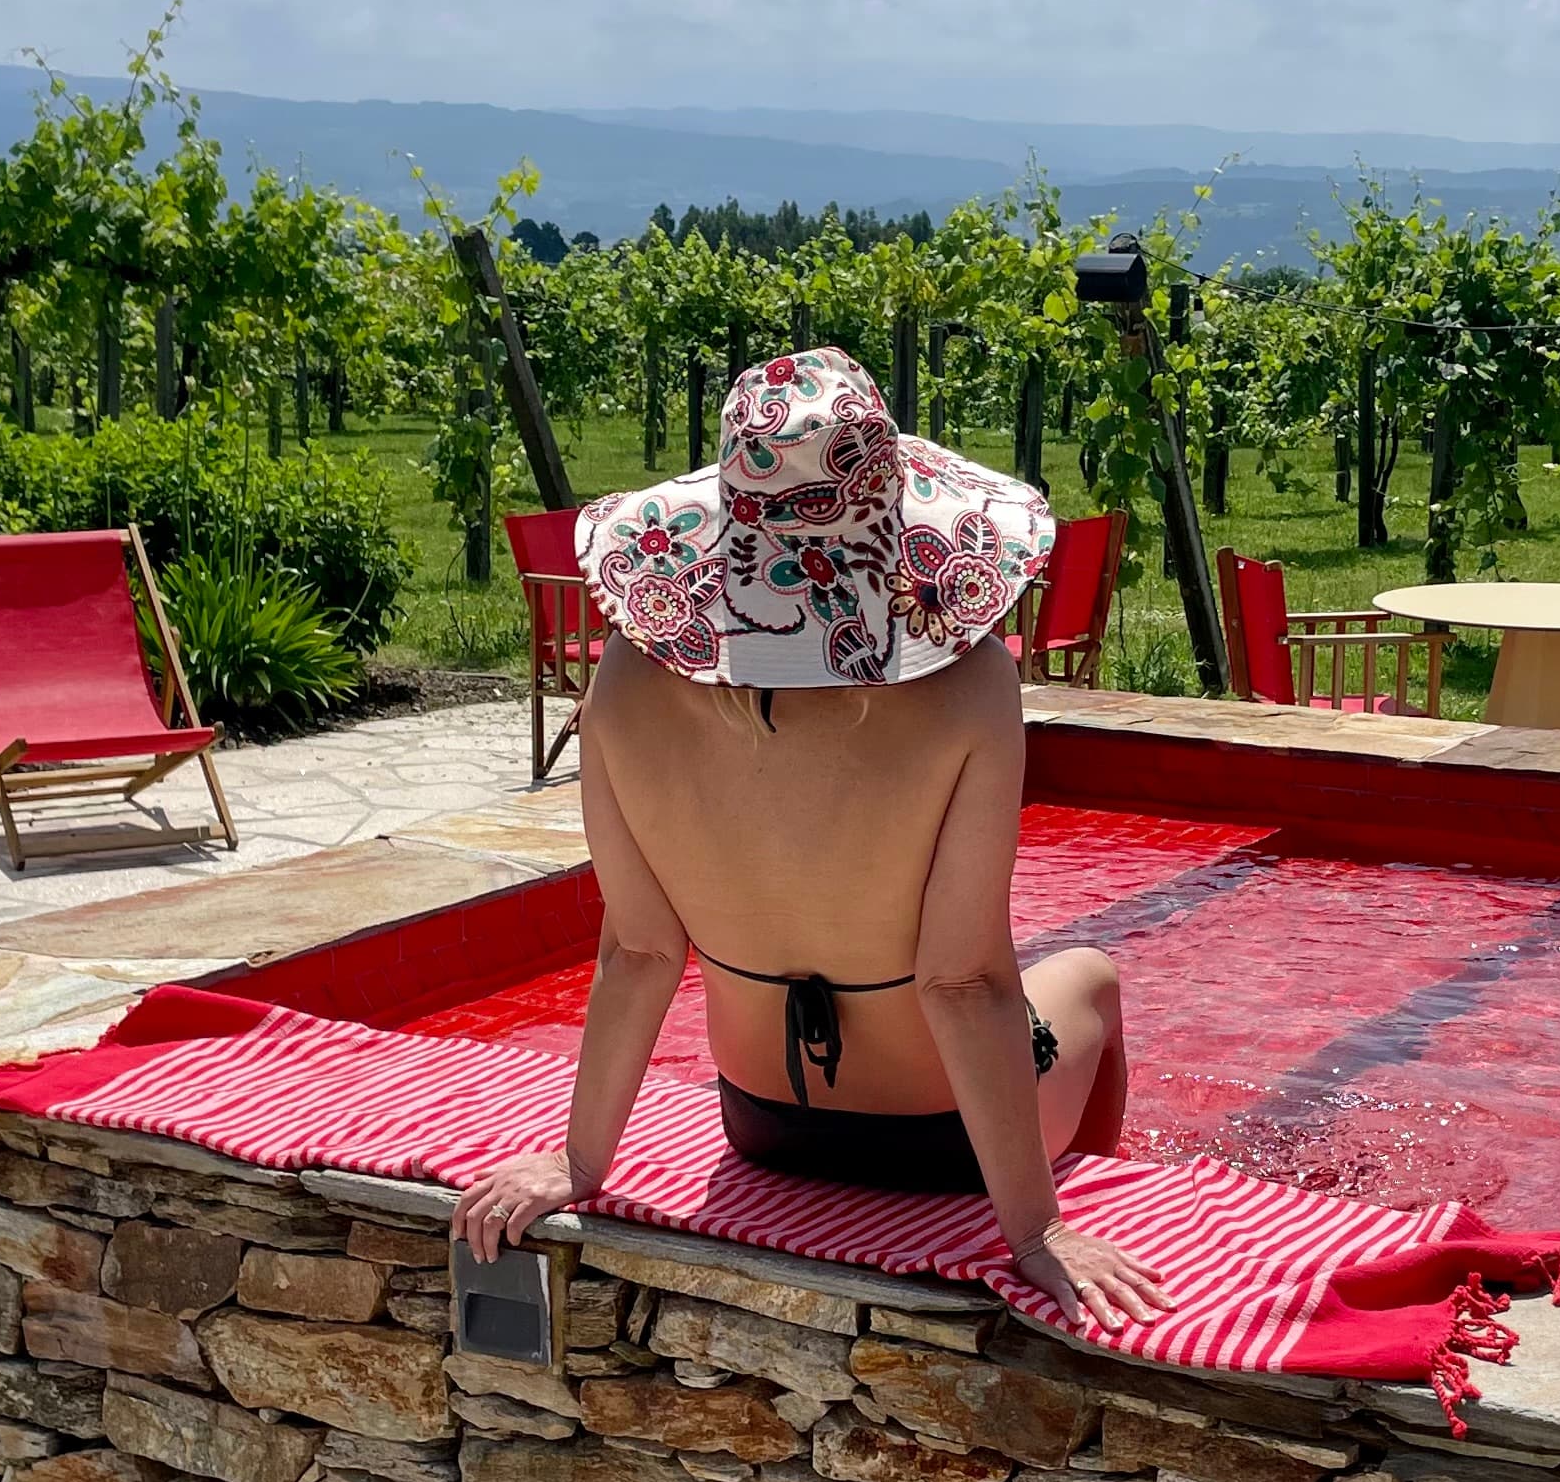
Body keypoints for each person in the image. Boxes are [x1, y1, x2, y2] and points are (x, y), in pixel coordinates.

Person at [450, 346, 1167, 1333]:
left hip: (760, 1126)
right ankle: (1098, 1194)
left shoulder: (621, 679)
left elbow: (639, 952)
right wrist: (1033, 1231)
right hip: (940, 1141)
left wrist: (579, 1164)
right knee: (1087, 974)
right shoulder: (967, 689)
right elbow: (964, 986)